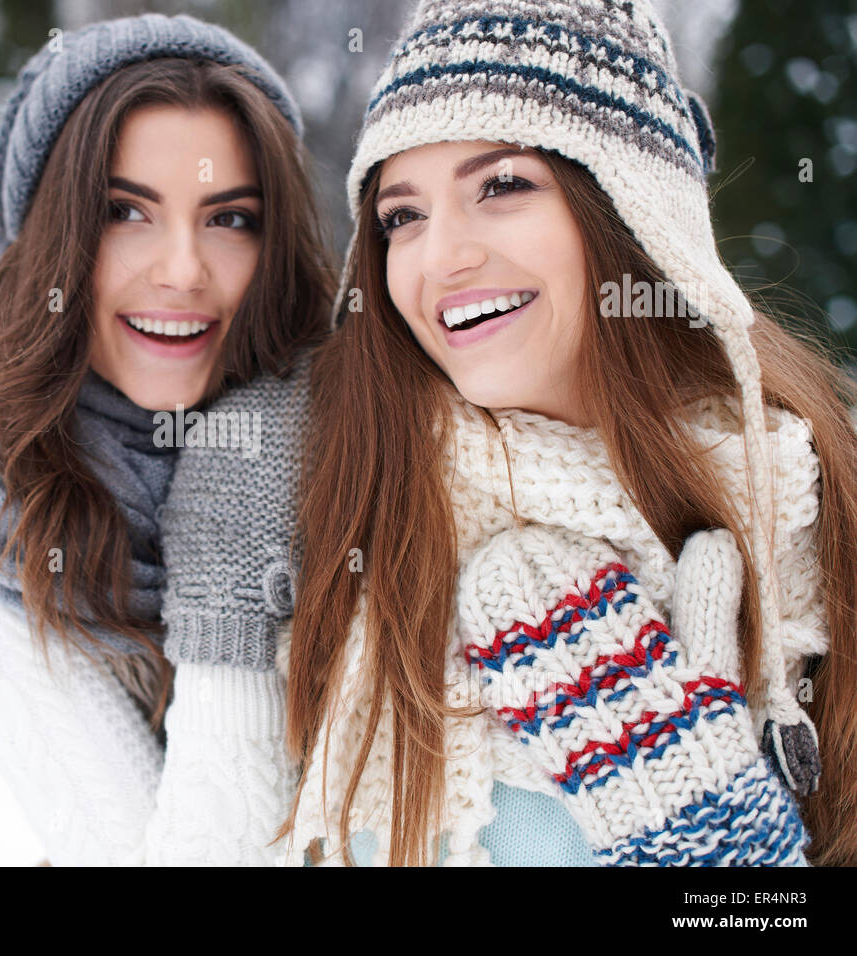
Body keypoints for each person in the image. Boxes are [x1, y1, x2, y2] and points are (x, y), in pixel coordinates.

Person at [160, 0, 857, 866]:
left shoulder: (810, 496)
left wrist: (709, 848)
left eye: (502, 186)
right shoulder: (292, 467)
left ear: (635, 214)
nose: (440, 257)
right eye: (400, 216)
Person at [0, 12, 331, 866]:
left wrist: (248, 467)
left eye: (230, 218)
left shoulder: (368, 441)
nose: (183, 269)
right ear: (46, 241)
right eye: (126, 212)